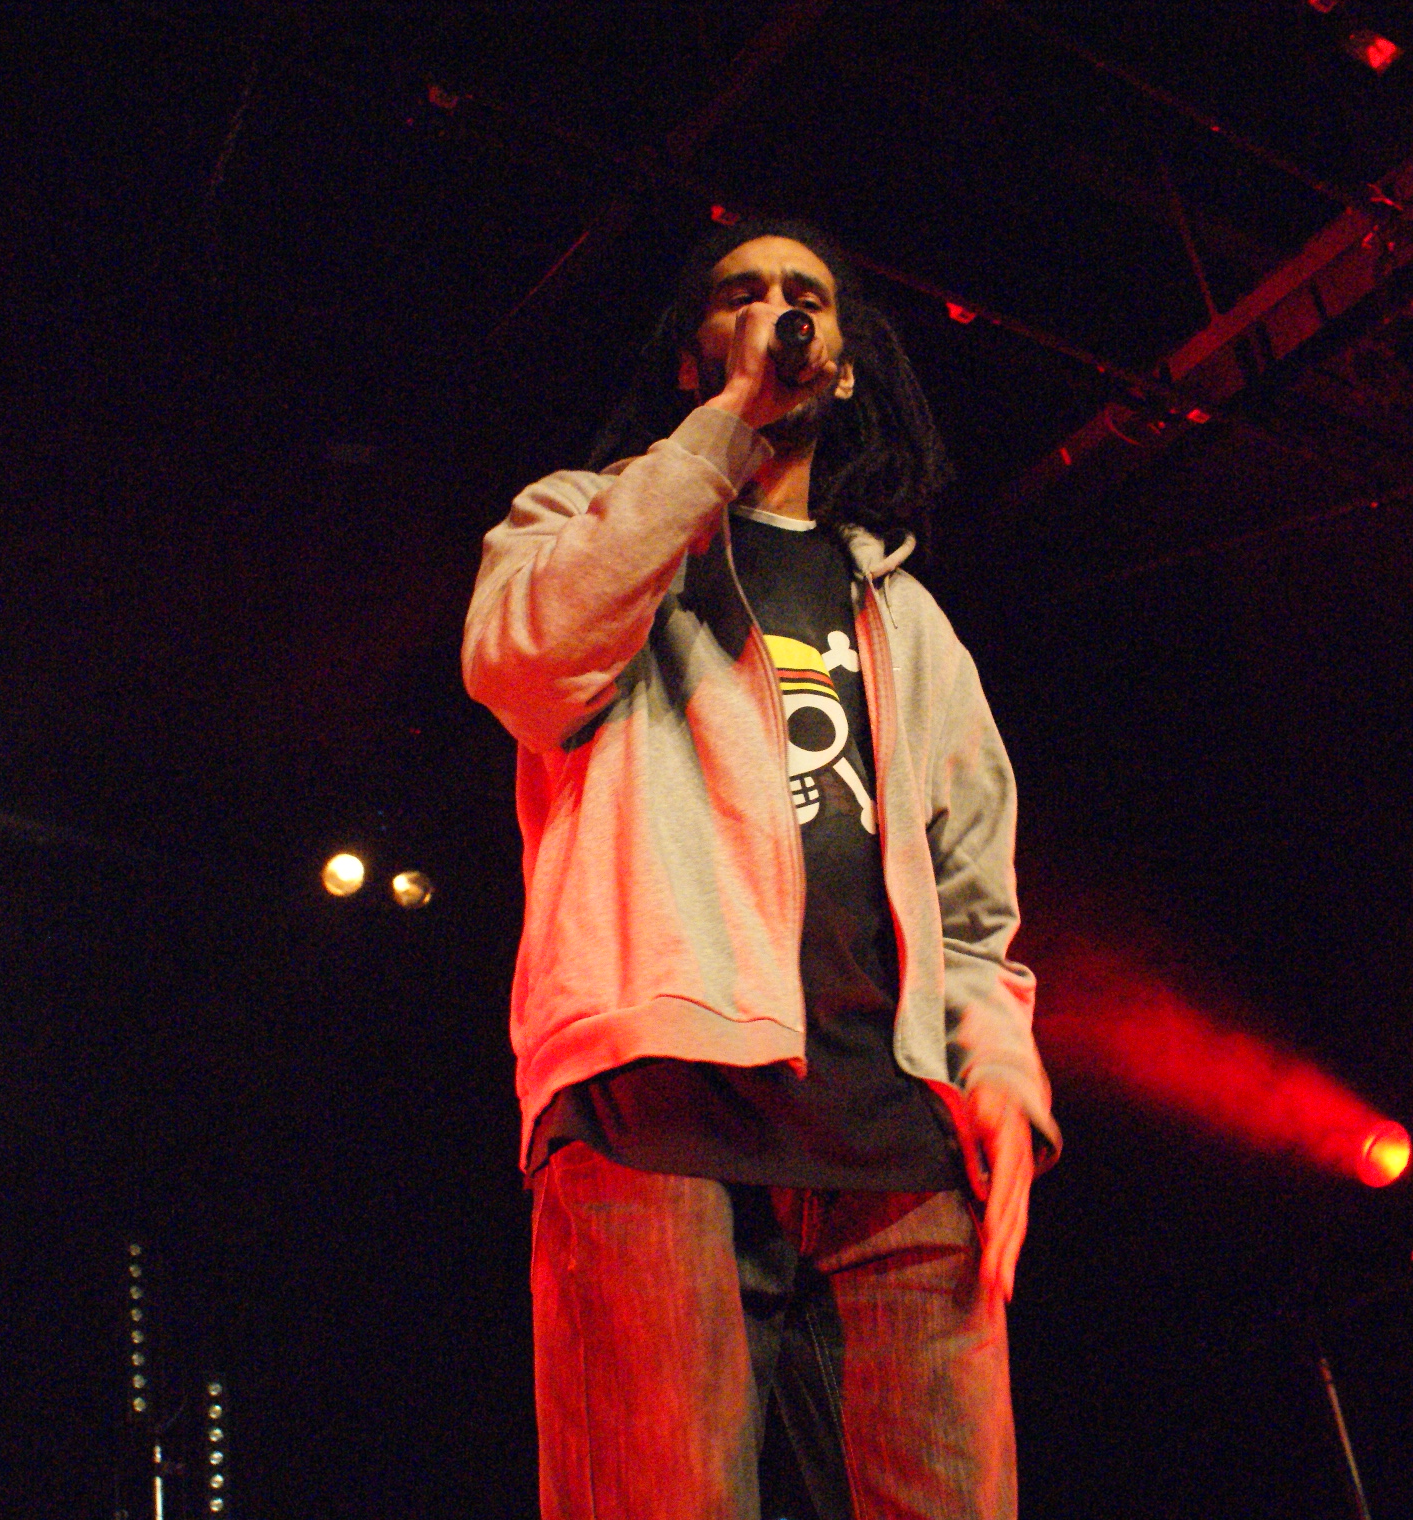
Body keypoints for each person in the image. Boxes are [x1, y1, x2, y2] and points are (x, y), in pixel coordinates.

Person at [462, 217, 1058, 1520]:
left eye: (807, 296)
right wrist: (719, 436)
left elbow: (972, 904)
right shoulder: (582, 519)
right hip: (658, 1118)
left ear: (843, 361)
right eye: (743, 294)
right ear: (697, 353)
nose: (780, 311)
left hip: (895, 1152)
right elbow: (526, 661)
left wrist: (999, 1073)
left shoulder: (905, 614)